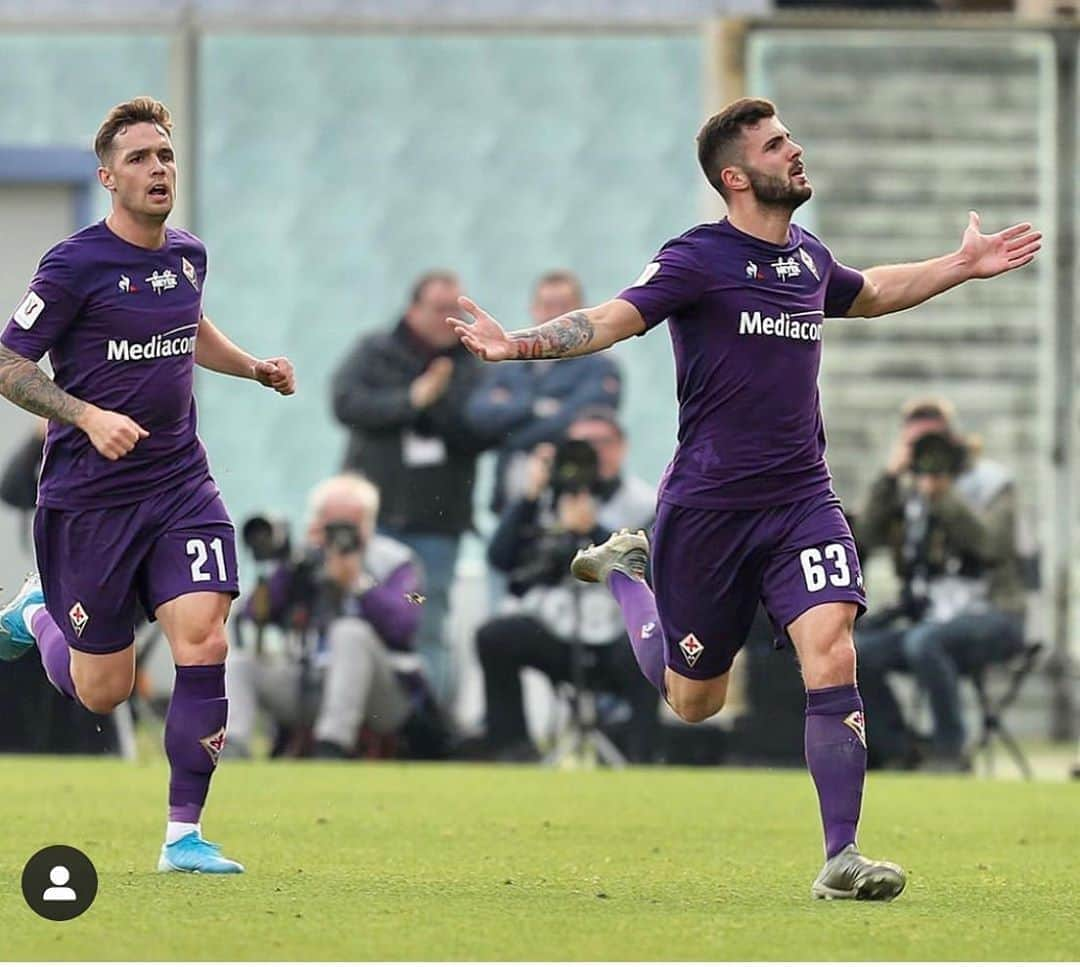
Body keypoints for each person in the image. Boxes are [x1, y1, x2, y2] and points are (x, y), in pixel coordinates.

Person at [448, 96, 1040, 900]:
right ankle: (630, 576)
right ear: (736, 175)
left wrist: (958, 264)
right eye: (776, 144)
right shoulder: (697, 257)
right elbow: (615, 318)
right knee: (694, 700)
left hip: (802, 500)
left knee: (831, 647)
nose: (794, 151)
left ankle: (842, 855)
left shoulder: (806, 258)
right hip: (709, 509)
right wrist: (519, 343)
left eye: (790, 138)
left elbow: (868, 292)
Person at [0, 97, 296, 874]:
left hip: (179, 483)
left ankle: (182, 836)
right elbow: (9, 363)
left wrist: (253, 366)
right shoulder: (73, 265)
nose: (158, 168)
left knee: (204, 637)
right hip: (91, 498)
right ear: (107, 177)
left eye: (165, 155)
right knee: (105, 689)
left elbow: (191, 325)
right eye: (139, 158)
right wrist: (85, 414)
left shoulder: (189, 254)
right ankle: (40, 617)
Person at [331, 271, 493, 709]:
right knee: (361, 617)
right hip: (373, 522)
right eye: (439, 309)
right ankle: (369, 723)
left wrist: (436, 402)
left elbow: (482, 430)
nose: (448, 319)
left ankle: (428, 726)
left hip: (436, 526)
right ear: (413, 309)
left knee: (427, 619)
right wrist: (411, 400)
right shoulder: (376, 352)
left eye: (455, 311)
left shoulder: (470, 362)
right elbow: (344, 403)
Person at [853, 397, 1028, 771]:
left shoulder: (991, 482)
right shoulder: (905, 487)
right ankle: (903, 747)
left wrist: (944, 496)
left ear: (954, 440)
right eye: (917, 444)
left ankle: (950, 752)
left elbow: (990, 545)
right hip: (931, 616)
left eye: (934, 442)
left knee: (925, 642)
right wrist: (889, 478)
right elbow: (864, 536)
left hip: (995, 616)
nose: (927, 455)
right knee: (854, 652)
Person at [475, 408, 658, 762]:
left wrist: (592, 530)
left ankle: (641, 756)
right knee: (495, 637)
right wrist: (528, 497)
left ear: (621, 448)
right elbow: (499, 558)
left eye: (601, 443)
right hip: (557, 625)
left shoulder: (643, 503)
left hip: (619, 627)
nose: (592, 452)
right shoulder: (546, 497)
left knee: (652, 647)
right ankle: (512, 749)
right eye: (580, 444)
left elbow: (653, 574)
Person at [227, 473, 448, 760]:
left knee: (349, 632)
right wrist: (283, 568)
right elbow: (255, 616)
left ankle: (331, 747)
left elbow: (404, 624)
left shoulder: (395, 561)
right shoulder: (304, 560)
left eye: (346, 524)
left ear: (367, 524)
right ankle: (232, 747)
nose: (336, 535)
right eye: (328, 522)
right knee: (242, 663)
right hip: (310, 681)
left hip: (382, 694)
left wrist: (358, 583)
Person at [466, 271, 622, 515]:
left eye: (563, 306)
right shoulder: (510, 365)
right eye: (547, 305)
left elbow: (582, 422)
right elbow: (478, 416)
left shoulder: (600, 367)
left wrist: (511, 435)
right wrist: (534, 408)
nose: (553, 314)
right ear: (533, 309)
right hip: (512, 500)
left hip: (576, 498)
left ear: (581, 311)